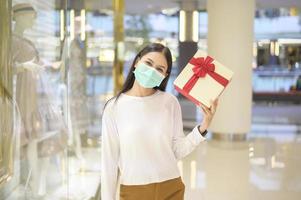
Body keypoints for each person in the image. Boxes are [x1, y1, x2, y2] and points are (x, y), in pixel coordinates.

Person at [101, 43, 218, 200]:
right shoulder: (114, 107)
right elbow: (109, 163)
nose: (151, 71)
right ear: (136, 62)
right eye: (148, 63)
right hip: (134, 192)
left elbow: (177, 150)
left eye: (159, 69)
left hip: (171, 187)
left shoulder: (170, 102)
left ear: (164, 75)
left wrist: (204, 125)